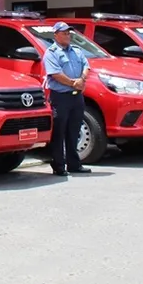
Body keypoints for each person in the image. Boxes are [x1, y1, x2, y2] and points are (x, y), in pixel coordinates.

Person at [44, 22, 93, 176]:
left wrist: (82, 79)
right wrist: (74, 83)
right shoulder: (51, 53)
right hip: (61, 97)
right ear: (56, 35)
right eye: (64, 33)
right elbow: (55, 74)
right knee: (59, 131)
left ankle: (74, 164)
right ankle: (58, 165)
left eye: (69, 33)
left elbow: (86, 65)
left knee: (74, 130)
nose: (67, 36)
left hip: (76, 97)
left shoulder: (76, 51)